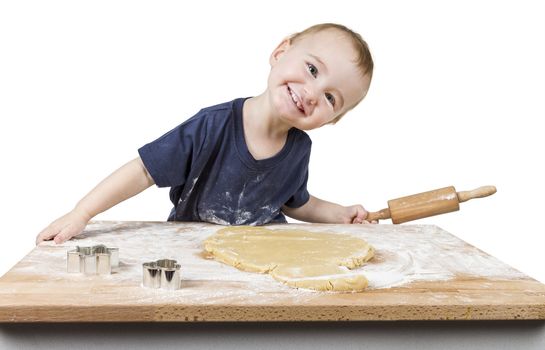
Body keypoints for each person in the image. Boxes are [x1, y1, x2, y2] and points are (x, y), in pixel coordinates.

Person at [36, 23, 375, 245]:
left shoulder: (300, 148)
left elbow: (295, 202)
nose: (314, 93)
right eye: (312, 69)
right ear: (280, 52)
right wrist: (81, 213)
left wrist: (339, 214)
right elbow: (143, 171)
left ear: (334, 119)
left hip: (265, 258)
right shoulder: (213, 125)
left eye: (331, 98)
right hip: (192, 251)